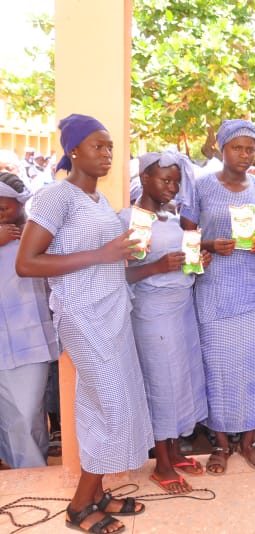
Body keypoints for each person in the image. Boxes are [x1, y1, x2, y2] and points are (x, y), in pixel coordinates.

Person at [16, 114, 153, 534]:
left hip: (113, 310)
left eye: (110, 146)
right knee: (110, 403)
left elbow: (102, 254)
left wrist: (124, 254)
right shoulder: (56, 197)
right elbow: (26, 263)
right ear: (74, 150)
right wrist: (103, 255)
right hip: (83, 314)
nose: (108, 154)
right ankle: (79, 506)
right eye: (98, 145)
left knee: (107, 401)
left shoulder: (98, 201)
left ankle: (97, 493)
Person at [180, 119, 255, 475]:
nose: (244, 155)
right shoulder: (200, 186)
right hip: (215, 288)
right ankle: (221, 444)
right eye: (237, 147)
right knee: (219, 367)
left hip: (254, 287)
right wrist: (208, 244)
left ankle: (249, 441)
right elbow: (186, 237)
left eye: (250, 148)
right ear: (221, 149)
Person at [120, 151, 210, 493]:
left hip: (181, 308)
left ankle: (174, 451)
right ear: (144, 178)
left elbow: (179, 266)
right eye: (164, 180)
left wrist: (196, 262)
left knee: (181, 380)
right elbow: (122, 274)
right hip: (153, 312)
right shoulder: (137, 219)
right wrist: (160, 267)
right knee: (162, 384)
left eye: (175, 180)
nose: (172, 187)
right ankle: (162, 464)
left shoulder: (171, 219)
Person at [0, 173, 59, 469]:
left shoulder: (37, 236)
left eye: (3, 209)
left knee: (27, 413)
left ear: (22, 204)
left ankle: (33, 472)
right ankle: (19, 472)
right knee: (8, 417)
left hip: (29, 342)